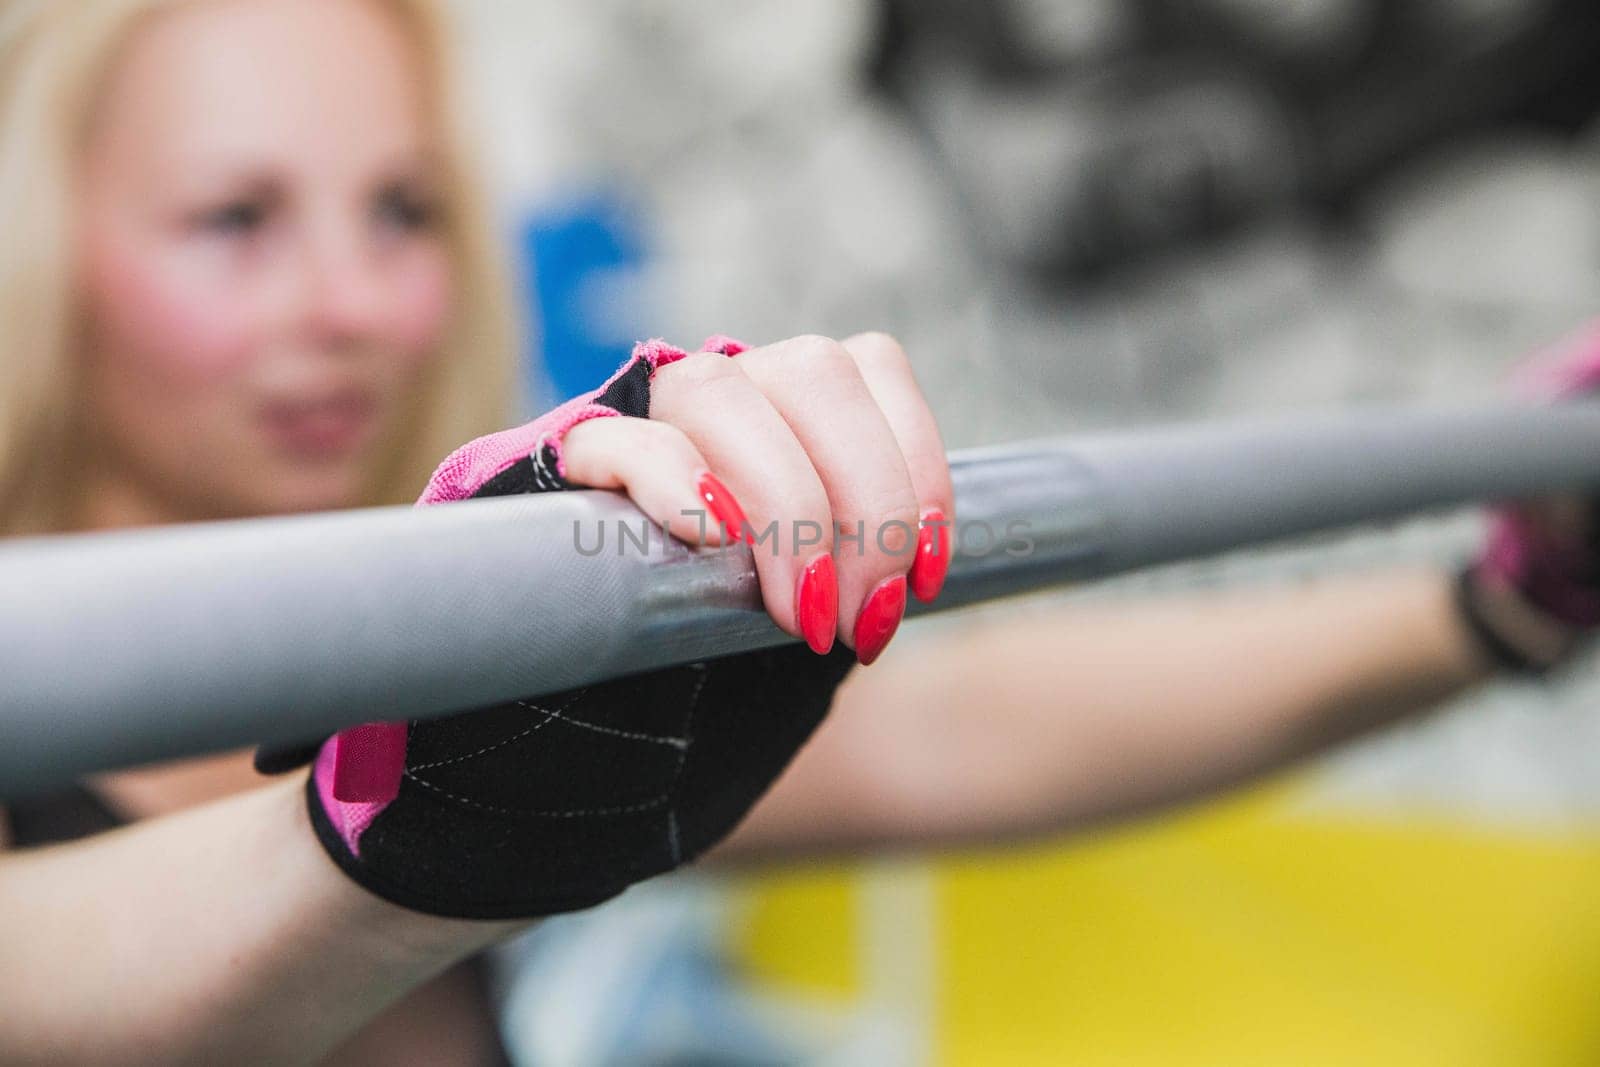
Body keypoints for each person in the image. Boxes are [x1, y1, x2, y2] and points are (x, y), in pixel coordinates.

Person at [1, 1, 1596, 1064]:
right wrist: (415, 831)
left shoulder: (438, 665)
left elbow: (955, 732)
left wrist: (1495, 609)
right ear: (47, 243)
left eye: (404, 210)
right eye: (236, 218)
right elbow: (62, 976)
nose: (355, 306)